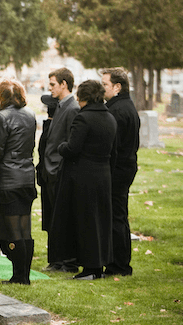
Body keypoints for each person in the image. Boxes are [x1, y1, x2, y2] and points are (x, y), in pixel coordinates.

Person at [51, 79, 116, 281]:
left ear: (83, 97)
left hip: (83, 176)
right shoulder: (109, 118)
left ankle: (89, 268)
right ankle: (99, 265)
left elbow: (72, 148)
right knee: (100, 221)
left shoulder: (83, 118)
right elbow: (114, 150)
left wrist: (61, 146)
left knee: (85, 221)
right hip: (103, 174)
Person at [0, 79, 37, 285]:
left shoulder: (2, 117)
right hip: (27, 176)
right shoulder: (30, 114)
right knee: (25, 228)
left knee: (12, 231)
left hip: (8, 178)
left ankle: (18, 275)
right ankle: (25, 275)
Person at [38, 68, 80, 272]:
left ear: (64, 84)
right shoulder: (61, 106)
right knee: (53, 218)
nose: (50, 88)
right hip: (50, 170)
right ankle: (56, 260)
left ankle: (67, 261)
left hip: (58, 170)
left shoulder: (72, 108)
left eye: (53, 84)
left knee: (62, 219)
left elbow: (70, 142)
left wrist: (57, 168)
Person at [101, 68, 140, 277]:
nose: (102, 88)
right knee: (118, 215)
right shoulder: (125, 106)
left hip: (118, 170)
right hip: (125, 167)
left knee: (116, 216)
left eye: (105, 85)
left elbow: (113, 146)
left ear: (117, 87)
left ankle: (119, 265)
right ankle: (118, 262)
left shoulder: (117, 110)